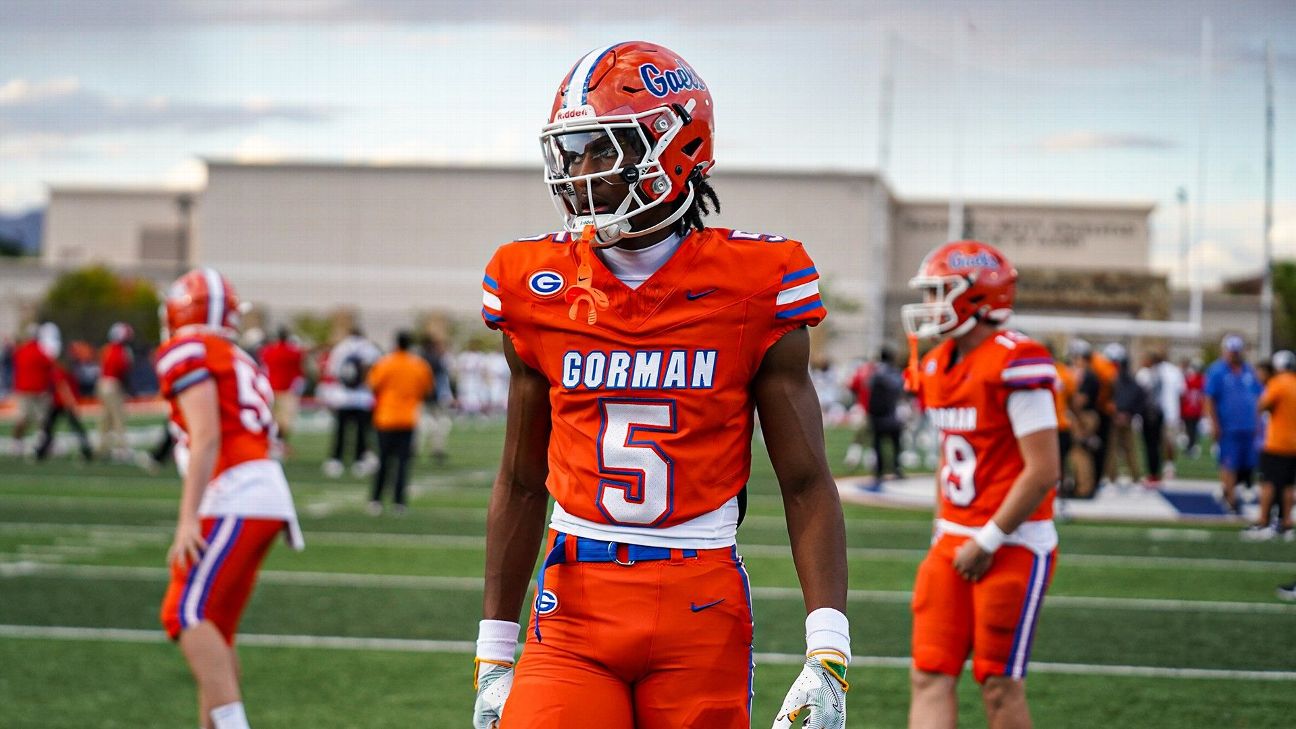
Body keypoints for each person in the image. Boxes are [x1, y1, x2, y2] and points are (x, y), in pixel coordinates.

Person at [472, 41, 850, 729]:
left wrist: (829, 648)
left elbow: (805, 480)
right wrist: (494, 652)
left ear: (677, 147)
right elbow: (522, 480)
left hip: (700, 599)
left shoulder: (755, 283)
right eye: (573, 152)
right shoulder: (532, 283)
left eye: (603, 148)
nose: (579, 171)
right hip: (573, 599)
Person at [901, 240, 1061, 729]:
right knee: (929, 673)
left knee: (998, 684)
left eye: (939, 292)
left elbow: (1043, 470)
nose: (930, 305)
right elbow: (949, 456)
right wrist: (942, 528)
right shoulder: (937, 362)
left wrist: (988, 539)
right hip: (952, 538)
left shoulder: (1016, 358)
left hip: (1011, 542)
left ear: (976, 295)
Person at [154, 268, 302, 729]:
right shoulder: (235, 356)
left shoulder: (188, 350)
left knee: (184, 612)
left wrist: (187, 519)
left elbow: (206, 437)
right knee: (215, 628)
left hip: (236, 492)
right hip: (261, 491)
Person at [366, 330, 432, 515]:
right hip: (408, 418)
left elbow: (373, 385)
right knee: (403, 463)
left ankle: (376, 499)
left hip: (386, 418)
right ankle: (399, 502)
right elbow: (426, 389)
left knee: (383, 461)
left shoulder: (385, 362)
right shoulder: (418, 364)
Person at [1204, 335, 1262, 514]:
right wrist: (1214, 423)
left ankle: (1229, 491)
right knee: (1229, 463)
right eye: (1231, 351)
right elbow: (1209, 399)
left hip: (1248, 426)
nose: (1234, 355)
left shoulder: (1248, 371)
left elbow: (1258, 397)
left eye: (1236, 351)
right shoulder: (1217, 371)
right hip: (1228, 427)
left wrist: (1258, 422)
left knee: (1247, 465)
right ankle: (1231, 500)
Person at [1244, 350, 1296, 540]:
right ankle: (1287, 523)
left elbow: (1262, 405)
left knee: (1268, 483)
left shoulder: (1278, 383)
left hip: (1276, 442)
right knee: (1288, 485)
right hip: (1293, 443)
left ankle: (1263, 521)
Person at [322, 328, 380, 478]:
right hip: (363, 397)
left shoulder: (340, 348)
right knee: (362, 432)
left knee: (341, 431)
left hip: (343, 397)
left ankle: (336, 460)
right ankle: (359, 460)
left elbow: (332, 372)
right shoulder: (370, 348)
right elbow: (376, 373)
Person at [10, 322, 58, 456]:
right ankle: (43, 444)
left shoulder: (21, 351)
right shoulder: (41, 351)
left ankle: (17, 443)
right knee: (41, 421)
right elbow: (51, 367)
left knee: (24, 419)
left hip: (25, 390)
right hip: (38, 391)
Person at [34, 358, 93, 462]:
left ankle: (41, 451)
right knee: (52, 428)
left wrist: (71, 403)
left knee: (52, 428)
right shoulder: (68, 372)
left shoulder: (60, 372)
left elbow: (63, 388)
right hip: (59, 403)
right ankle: (42, 451)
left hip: (62, 403)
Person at [259, 327, 306, 448]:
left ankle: (273, 441)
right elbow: (299, 370)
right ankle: (280, 442)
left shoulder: (268, 351)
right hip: (287, 390)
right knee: (285, 420)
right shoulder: (294, 352)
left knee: (271, 417)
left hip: (270, 388)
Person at [867, 346, 906, 482]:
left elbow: (868, 386)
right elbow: (900, 387)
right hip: (892, 413)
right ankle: (896, 468)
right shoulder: (894, 373)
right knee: (896, 443)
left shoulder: (875, 373)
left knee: (878, 443)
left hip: (877, 414)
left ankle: (879, 471)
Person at [97, 322, 134, 461]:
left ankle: (102, 447)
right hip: (113, 385)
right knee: (118, 417)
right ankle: (121, 448)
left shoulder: (107, 349)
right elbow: (122, 369)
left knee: (106, 418)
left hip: (103, 383)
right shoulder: (120, 351)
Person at [417, 335, 455, 465]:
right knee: (440, 424)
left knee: (420, 423)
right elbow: (441, 380)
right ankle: (437, 449)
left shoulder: (418, 359)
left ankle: (415, 449)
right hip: (434, 396)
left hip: (422, 396)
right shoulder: (436, 360)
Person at [843, 358, 875, 470]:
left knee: (863, 434)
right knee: (866, 434)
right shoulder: (875, 372)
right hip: (872, 409)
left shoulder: (861, 372)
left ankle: (857, 458)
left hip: (864, 408)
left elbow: (852, 387)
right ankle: (861, 458)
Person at [1180, 359, 1205, 457]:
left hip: (1191, 409)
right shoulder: (1200, 380)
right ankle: (1191, 446)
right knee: (1192, 429)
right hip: (1193, 409)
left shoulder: (1193, 379)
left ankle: (1191, 447)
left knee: (1192, 429)